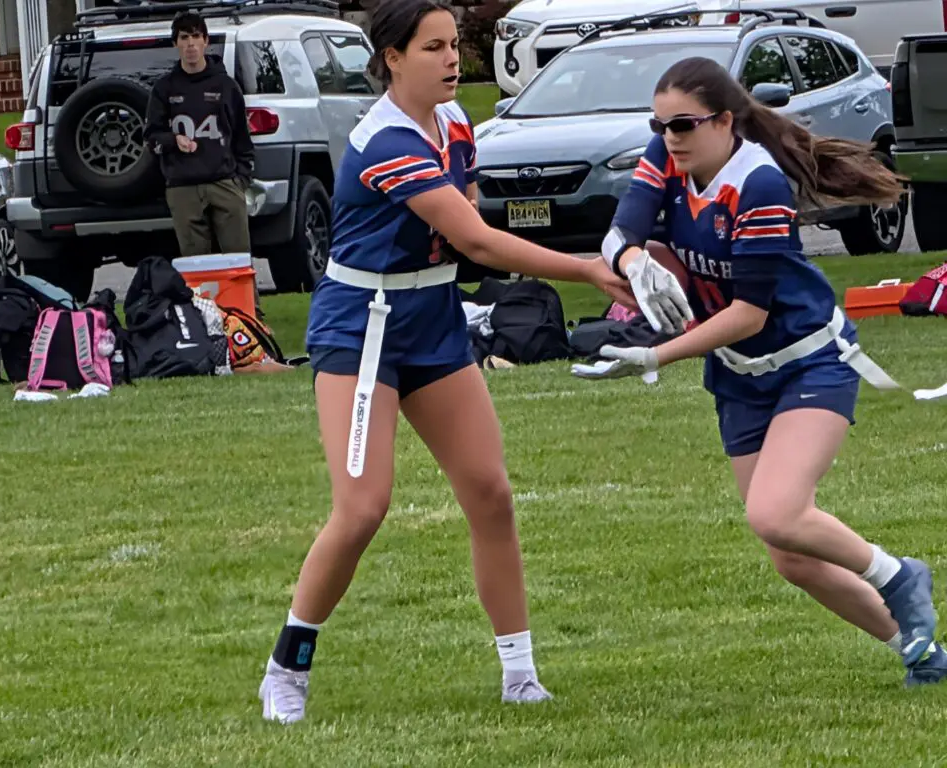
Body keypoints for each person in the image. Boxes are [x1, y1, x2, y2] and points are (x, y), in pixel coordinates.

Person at [257, 0, 692, 724]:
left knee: (490, 492)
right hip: (363, 326)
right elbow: (478, 241)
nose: (453, 58)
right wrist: (589, 270)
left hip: (431, 319)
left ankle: (519, 673)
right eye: (433, 47)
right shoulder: (386, 140)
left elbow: (464, 230)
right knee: (362, 508)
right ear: (392, 57)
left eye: (454, 44)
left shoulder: (456, 125)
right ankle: (286, 667)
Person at [582, 56, 946, 686]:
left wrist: (656, 353)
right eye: (661, 124)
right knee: (790, 556)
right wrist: (638, 258)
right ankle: (919, 651)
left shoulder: (759, 185)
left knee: (777, 514)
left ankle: (899, 576)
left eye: (685, 125)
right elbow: (618, 234)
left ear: (725, 121)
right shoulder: (666, 152)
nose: (670, 137)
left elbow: (750, 314)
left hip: (809, 361)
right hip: (738, 374)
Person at [144, 11, 254, 259]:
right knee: (196, 266)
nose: (190, 44)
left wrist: (241, 180)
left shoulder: (226, 86)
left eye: (195, 36)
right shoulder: (164, 88)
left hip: (224, 183)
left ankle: (244, 301)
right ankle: (200, 301)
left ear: (205, 40)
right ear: (175, 44)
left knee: (238, 260)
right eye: (184, 38)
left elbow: (242, 139)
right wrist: (174, 140)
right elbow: (151, 138)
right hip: (183, 188)